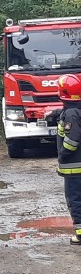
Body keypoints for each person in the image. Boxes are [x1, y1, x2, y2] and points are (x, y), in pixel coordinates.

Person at [56, 74, 81, 245]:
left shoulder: (71, 114)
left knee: (75, 201)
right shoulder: (74, 110)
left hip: (74, 167)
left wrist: (63, 154)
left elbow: (72, 140)